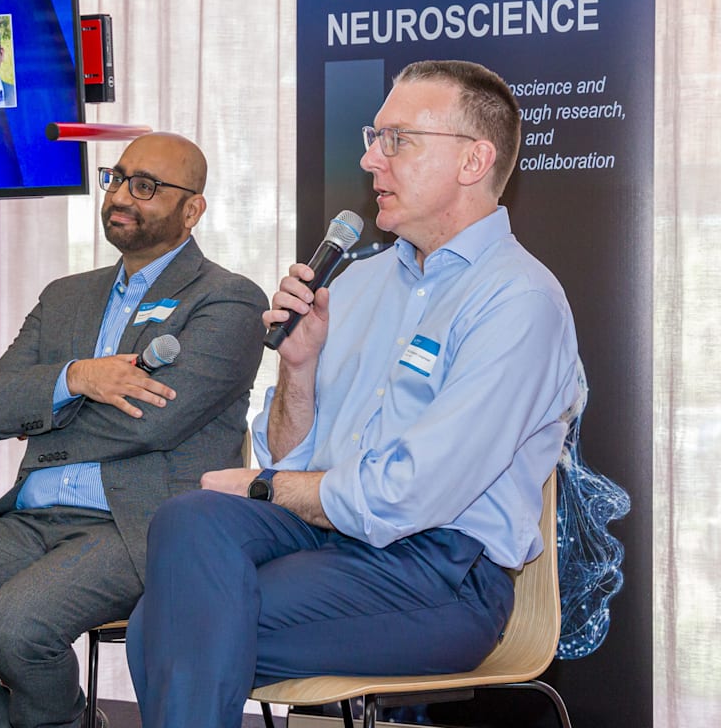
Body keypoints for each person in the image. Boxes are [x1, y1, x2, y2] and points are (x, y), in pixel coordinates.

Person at [126, 61, 582, 728]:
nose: (371, 159)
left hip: (441, 575)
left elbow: (413, 493)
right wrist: (299, 371)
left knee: (162, 625)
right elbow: (284, 451)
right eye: (375, 137)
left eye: (397, 140)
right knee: (187, 519)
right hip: (328, 541)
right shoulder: (359, 283)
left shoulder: (518, 300)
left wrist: (270, 489)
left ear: (472, 160)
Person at [0, 132, 267, 728]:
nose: (122, 196)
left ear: (192, 209)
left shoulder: (228, 301)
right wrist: (77, 378)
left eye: (146, 186)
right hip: (32, 516)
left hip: (139, 526)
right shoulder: (66, 296)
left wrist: (43, 418)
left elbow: (155, 422)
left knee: (17, 624)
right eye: (118, 178)